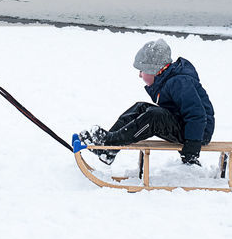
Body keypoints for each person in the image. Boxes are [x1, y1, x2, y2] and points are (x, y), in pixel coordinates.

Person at [77, 38, 214, 166]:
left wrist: (192, 148)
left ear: (153, 70)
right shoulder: (168, 79)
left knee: (154, 116)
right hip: (186, 126)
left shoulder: (179, 82)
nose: (140, 75)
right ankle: (109, 146)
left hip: (198, 133)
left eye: (142, 71)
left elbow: (196, 114)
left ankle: (109, 143)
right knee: (140, 107)